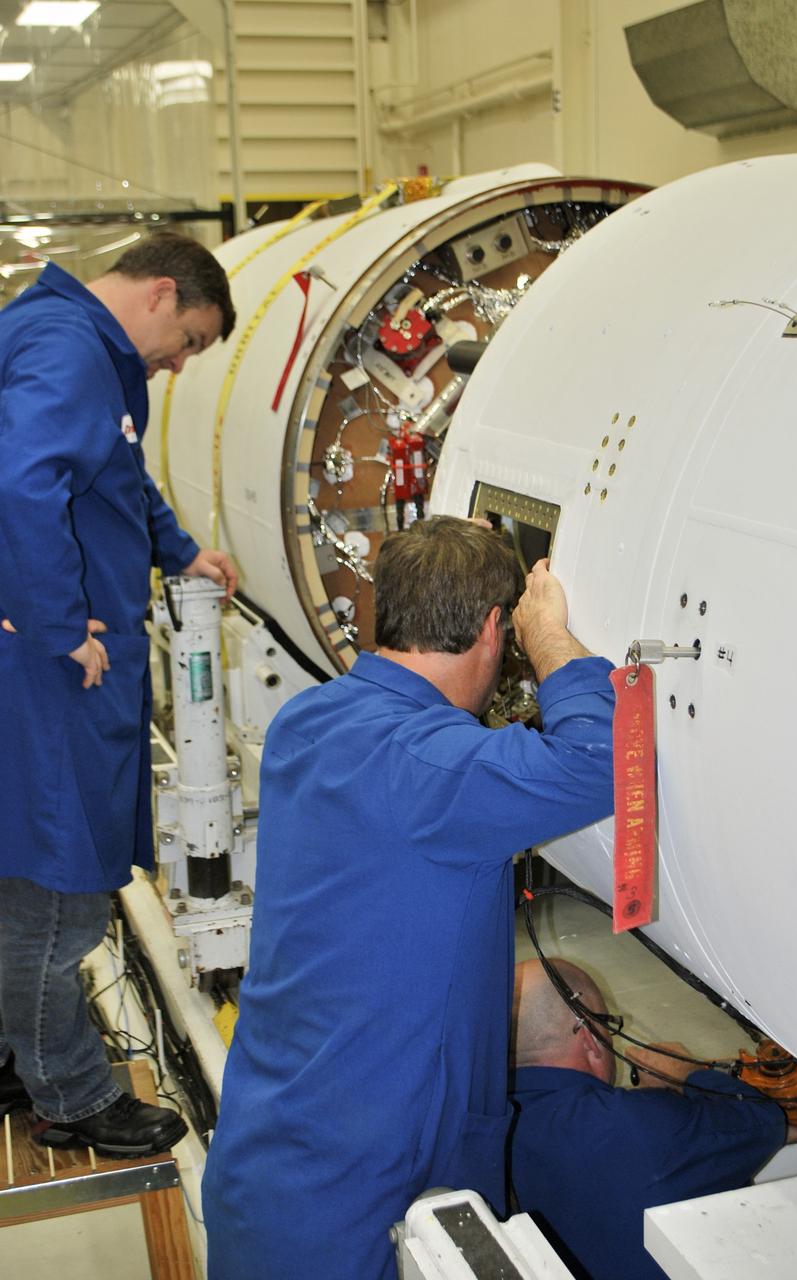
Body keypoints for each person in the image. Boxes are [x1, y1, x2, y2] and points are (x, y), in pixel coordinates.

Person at [202, 517, 617, 1280]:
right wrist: (552, 640)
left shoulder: (308, 720)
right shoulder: (435, 767)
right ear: (494, 628)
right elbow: (599, 758)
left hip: (268, 1169)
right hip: (368, 1211)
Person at [0, 233, 238, 1156]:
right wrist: (60, 623)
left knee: (25, 876)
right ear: (159, 293)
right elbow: (21, 485)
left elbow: (117, 476)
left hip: (51, 663)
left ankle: (15, 1048)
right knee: (57, 897)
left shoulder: (73, 343)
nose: (177, 364)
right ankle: (67, 1092)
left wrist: (177, 551)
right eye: (186, 340)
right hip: (53, 674)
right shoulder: (68, 347)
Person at [509, 957, 797, 1280]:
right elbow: (765, 1121)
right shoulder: (635, 1126)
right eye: (608, 1025)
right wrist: (686, 1074)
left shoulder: (493, 1121)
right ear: (590, 1041)